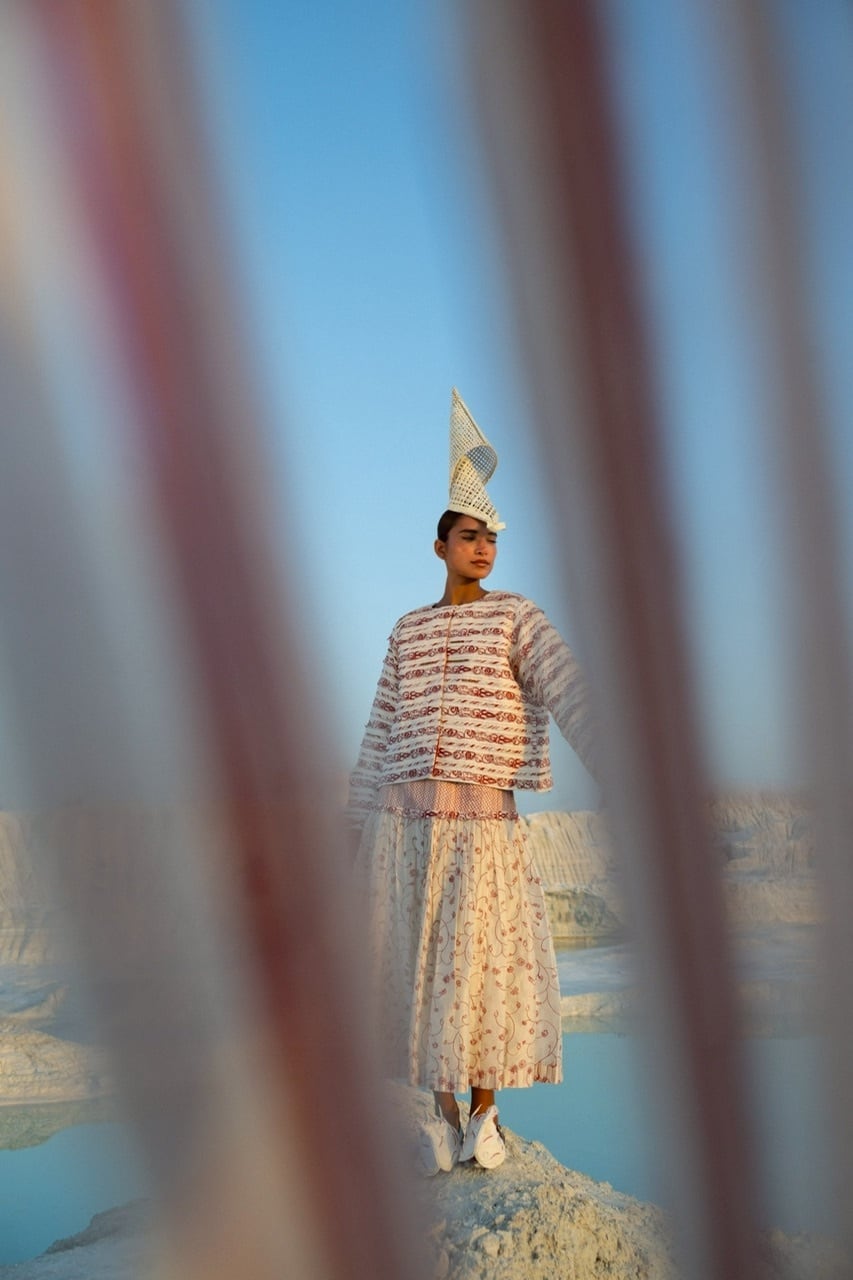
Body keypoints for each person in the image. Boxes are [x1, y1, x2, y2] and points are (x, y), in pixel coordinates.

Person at [347, 389, 597, 1175]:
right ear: (439, 546)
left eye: (491, 537)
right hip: (401, 826)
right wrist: (351, 827)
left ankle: (485, 1114)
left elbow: (570, 690)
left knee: (480, 966)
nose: (483, 548)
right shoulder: (407, 630)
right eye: (469, 536)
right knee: (414, 965)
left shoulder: (515, 616)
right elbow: (379, 729)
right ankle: (441, 1114)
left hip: (482, 824)